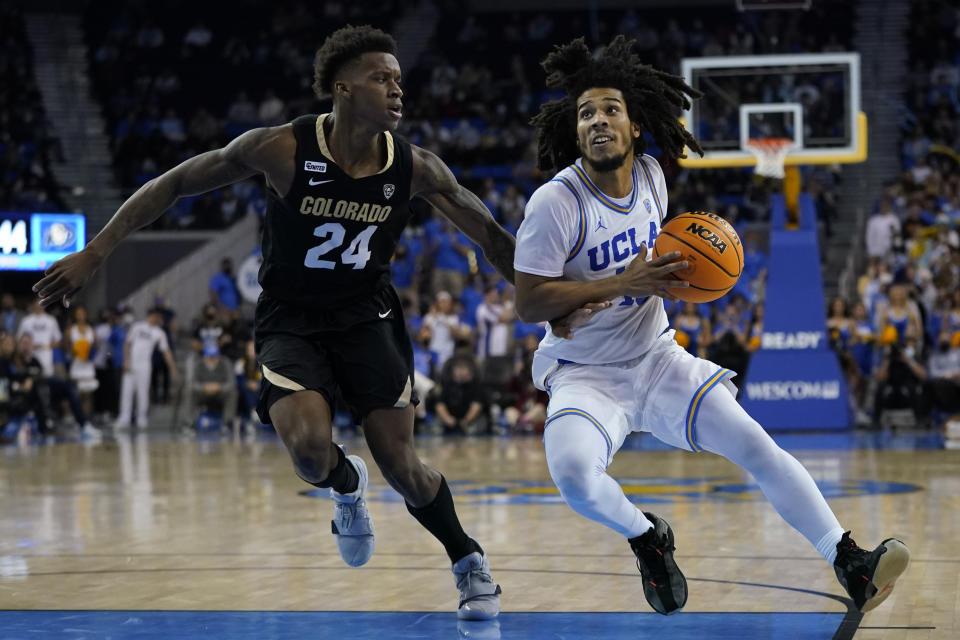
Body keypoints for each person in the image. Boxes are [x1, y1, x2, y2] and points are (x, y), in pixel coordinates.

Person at [31, 25, 589, 620]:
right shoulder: (280, 148)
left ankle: (467, 559)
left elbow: (492, 238)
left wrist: (553, 304)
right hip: (290, 317)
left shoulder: (416, 167)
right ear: (343, 89)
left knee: (403, 466)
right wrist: (97, 250)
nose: (398, 88)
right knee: (307, 452)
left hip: (367, 315)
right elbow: (174, 184)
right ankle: (346, 485)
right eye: (382, 77)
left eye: (399, 78)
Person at [513, 36, 909, 616]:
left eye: (610, 109)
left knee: (756, 444)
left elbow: (660, 270)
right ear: (576, 132)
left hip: (656, 357)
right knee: (573, 476)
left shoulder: (652, 177)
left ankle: (850, 560)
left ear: (636, 126)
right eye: (586, 113)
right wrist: (623, 282)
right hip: (585, 373)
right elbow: (528, 302)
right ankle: (646, 535)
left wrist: (681, 278)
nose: (598, 120)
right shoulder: (556, 202)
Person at [115, 308, 179, 430]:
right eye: (158, 317)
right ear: (152, 315)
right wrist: (126, 360)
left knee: (143, 392)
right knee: (127, 391)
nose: (159, 320)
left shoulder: (159, 332)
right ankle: (124, 418)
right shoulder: (137, 327)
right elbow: (127, 344)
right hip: (132, 362)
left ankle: (142, 419)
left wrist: (172, 368)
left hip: (145, 365)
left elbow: (166, 351)